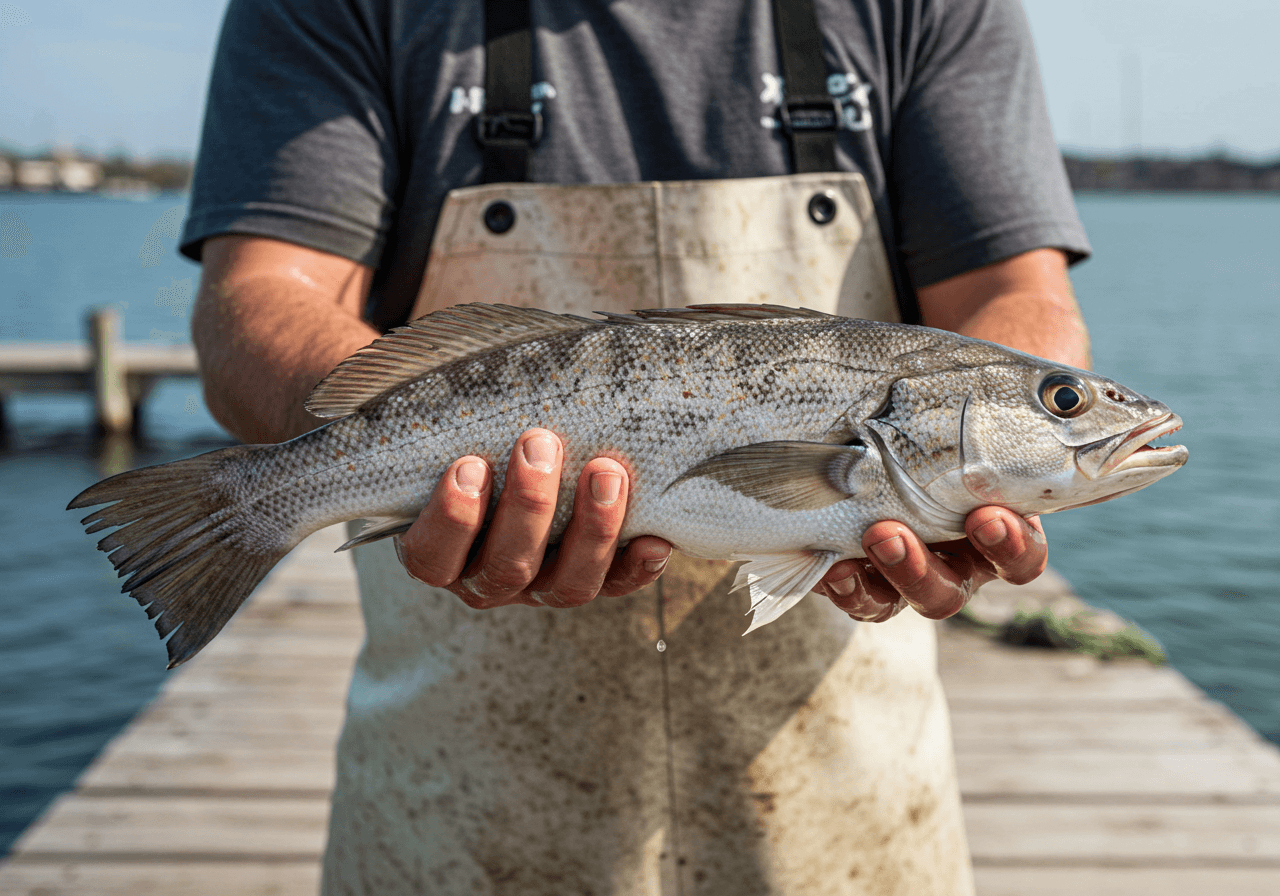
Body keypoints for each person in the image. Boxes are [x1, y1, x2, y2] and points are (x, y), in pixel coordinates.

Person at [182, 0, 1091, 892]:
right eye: (1066, 405)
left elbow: (1017, 299)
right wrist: (441, 458)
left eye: (1063, 405)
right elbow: (254, 302)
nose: (1072, 409)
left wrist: (979, 484)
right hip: (463, 811)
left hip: (849, 800)